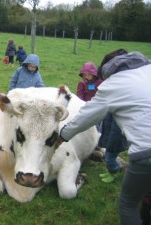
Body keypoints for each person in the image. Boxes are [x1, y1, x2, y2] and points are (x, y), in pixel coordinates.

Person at [56, 49, 151, 225]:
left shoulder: (112, 85)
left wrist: (62, 135)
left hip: (146, 153)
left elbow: (85, 118)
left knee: (128, 204)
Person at [98, 112, 128, 183]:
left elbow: (116, 133)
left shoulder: (119, 115)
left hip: (115, 144)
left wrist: (111, 146)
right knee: (107, 157)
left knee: (109, 158)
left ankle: (113, 173)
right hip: (111, 141)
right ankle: (109, 172)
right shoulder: (112, 110)